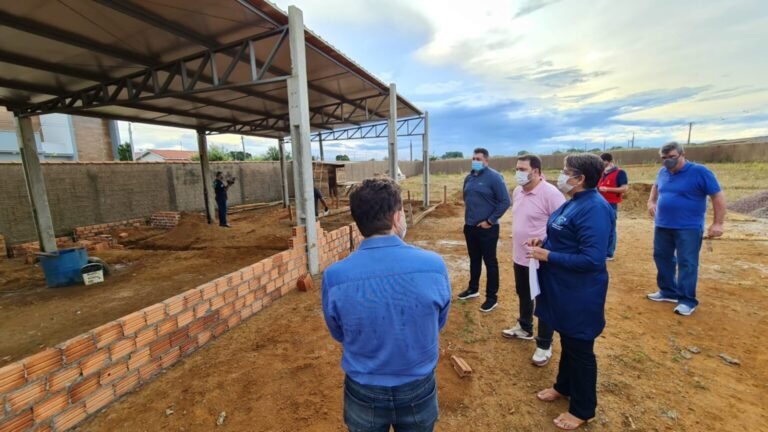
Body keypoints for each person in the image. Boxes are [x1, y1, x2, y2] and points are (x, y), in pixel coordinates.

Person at [322, 177, 451, 432]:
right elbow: (438, 321)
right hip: (418, 385)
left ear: (358, 222)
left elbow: (338, 331)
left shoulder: (335, 276)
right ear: (396, 217)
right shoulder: (434, 265)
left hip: (363, 389)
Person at [527, 153, 613, 430]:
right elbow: (564, 236)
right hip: (561, 289)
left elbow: (593, 259)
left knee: (580, 349)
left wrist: (548, 256)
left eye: (566, 171)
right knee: (568, 339)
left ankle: (583, 408)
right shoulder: (574, 202)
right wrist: (544, 241)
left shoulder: (595, 208)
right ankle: (563, 387)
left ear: (580, 178)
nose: (561, 175)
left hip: (580, 292)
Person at [646, 142, 726, 316]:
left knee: (687, 263)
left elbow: (717, 196)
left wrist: (718, 223)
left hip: (688, 227)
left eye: (672, 157)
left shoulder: (700, 172)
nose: (667, 161)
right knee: (662, 258)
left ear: (683, 154)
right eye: (664, 158)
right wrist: (651, 201)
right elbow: (656, 186)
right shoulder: (662, 172)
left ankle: (687, 300)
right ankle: (668, 291)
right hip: (662, 225)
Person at [502, 154, 565, 367]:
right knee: (524, 292)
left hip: (541, 258)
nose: (518, 173)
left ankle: (545, 344)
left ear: (536, 171)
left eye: (522, 169)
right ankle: (525, 326)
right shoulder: (517, 191)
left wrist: (544, 241)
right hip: (520, 256)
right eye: (517, 168)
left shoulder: (551, 194)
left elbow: (562, 228)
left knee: (544, 300)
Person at [458, 148, 511, 313]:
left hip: (487, 228)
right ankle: (473, 289)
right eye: (473, 158)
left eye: (479, 158)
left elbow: (505, 201)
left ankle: (491, 297)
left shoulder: (494, 178)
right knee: (474, 259)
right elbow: (466, 198)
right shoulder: (469, 177)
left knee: (490, 262)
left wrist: (490, 220)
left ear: (486, 161)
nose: (475, 161)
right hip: (470, 227)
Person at [597, 153, 629, 260]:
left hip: (611, 204)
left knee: (610, 228)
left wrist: (607, 189)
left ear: (608, 161)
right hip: (598, 203)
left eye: (602, 162)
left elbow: (624, 188)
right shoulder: (601, 173)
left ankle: (609, 253)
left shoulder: (620, 173)